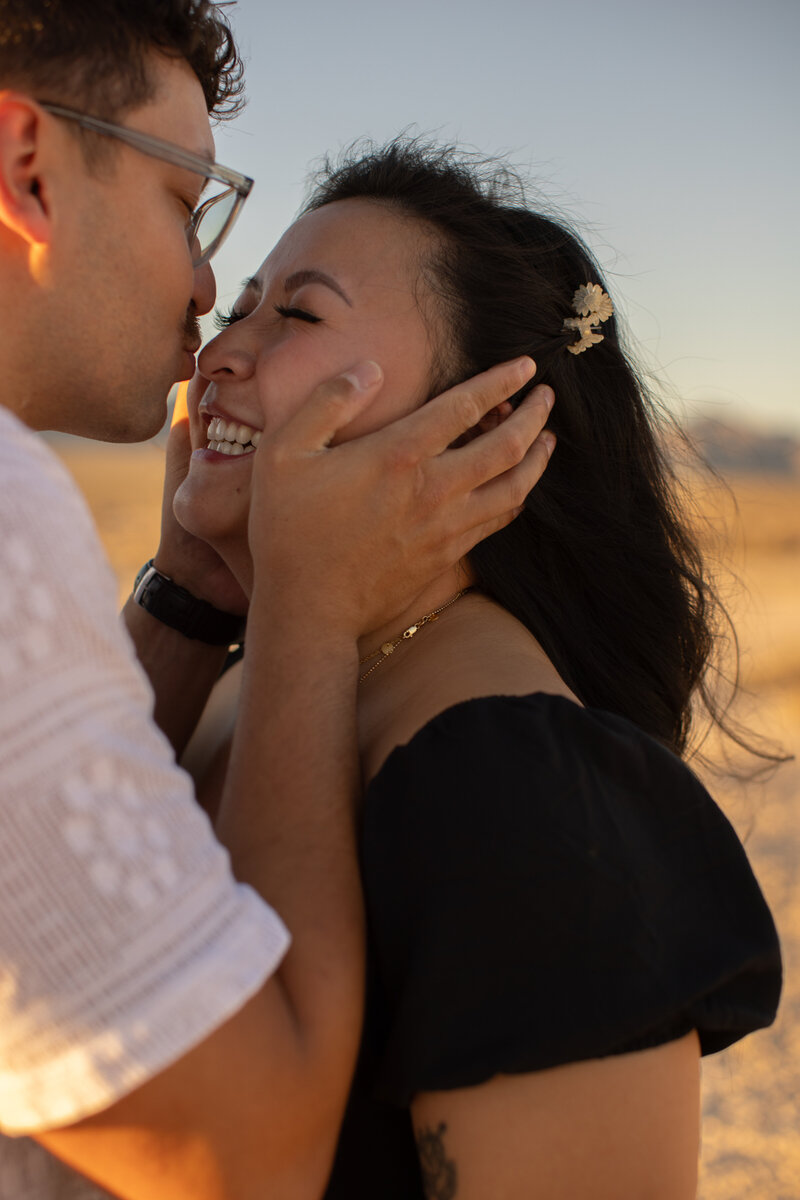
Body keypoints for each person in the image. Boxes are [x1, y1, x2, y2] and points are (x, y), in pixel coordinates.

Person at [0, 6, 556, 1198]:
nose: (205, 303)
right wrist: (305, 603)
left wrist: (195, 597)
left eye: (292, 311)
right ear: (27, 169)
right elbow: (247, 1164)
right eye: (184, 201)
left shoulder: (529, 776)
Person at [174, 139, 783, 1199]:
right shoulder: (243, 675)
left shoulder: (530, 794)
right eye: (240, 307)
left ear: (485, 429)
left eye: (299, 316)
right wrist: (203, 590)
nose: (220, 353)